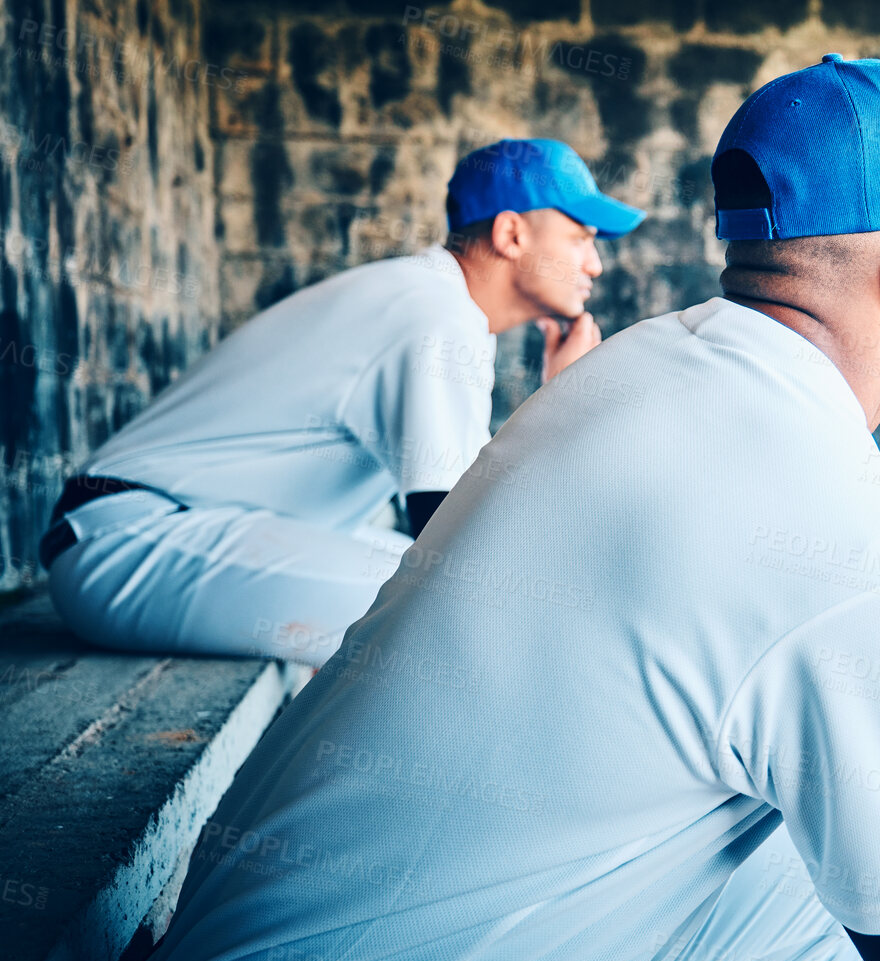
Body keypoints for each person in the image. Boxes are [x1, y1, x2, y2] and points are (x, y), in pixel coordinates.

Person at [109, 54, 880, 961]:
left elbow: (840, 647)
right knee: (859, 844)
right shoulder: (851, 544)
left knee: (841, 818)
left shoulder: (632, 374)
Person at [38, 138, 642, 665]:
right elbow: (457, 539)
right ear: (511, 233)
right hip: (129, 539)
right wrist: (562, 407)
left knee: (459, 589)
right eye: (582, 236)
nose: (594, 262)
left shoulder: (437, 302)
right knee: (460, 604)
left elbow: (460, 526)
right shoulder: (437, 312)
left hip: (162, 534)